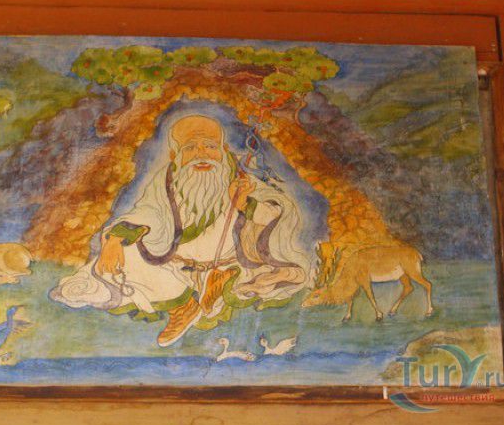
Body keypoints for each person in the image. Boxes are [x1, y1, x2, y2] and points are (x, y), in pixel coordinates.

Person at [51, 115, 312, 347]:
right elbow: (148, 212)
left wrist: (245, 203)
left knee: (278, 275)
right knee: (112, 260)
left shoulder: (242, 180)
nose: (202, 153)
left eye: (209, 146)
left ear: (223, 149)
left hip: (231, 260)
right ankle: (184, 304)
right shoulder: (166, 181)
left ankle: (221, 280)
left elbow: (278, 212)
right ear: (175, 154)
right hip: (173, 263)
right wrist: (114, 240)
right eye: (190, 147)